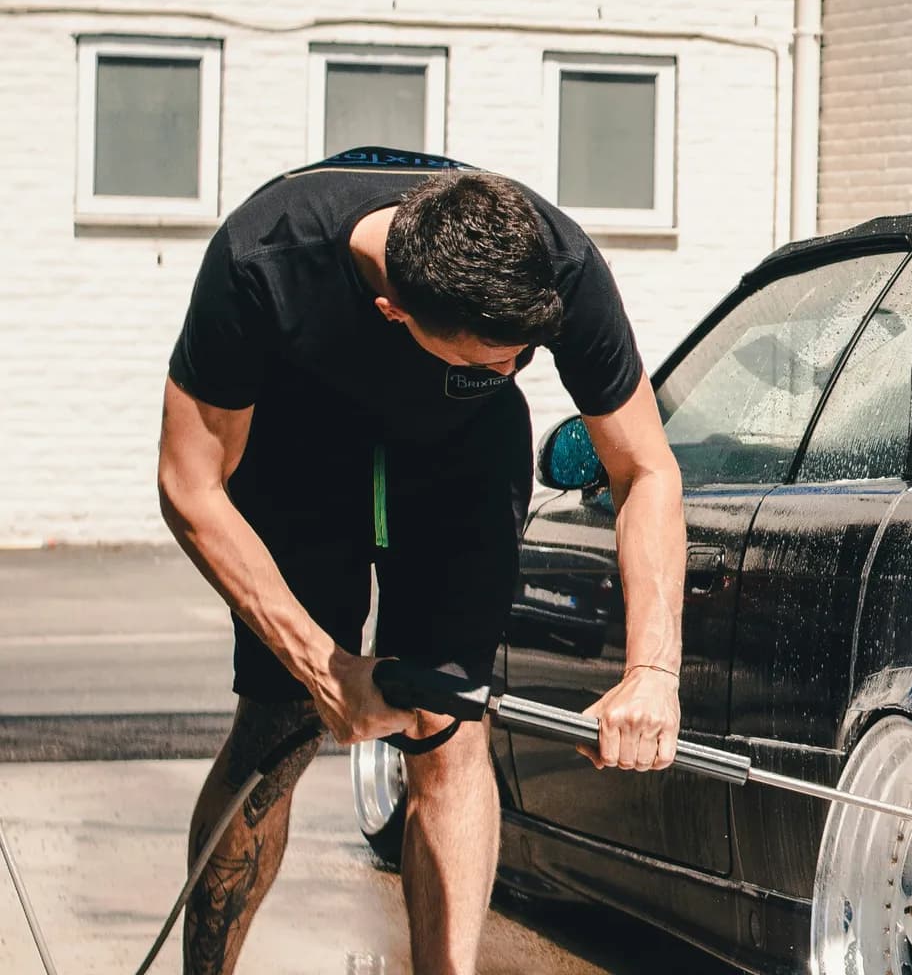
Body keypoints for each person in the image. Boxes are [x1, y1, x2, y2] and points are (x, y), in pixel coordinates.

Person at [155, 147, 687, 974]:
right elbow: (190, 487)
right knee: (279, 727)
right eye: (492, 361)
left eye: (523, 358)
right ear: (393, 311)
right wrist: (326, 669)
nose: (515, 372)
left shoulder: (556, 259)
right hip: (299, 455)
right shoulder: (262, 261)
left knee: (451, 731)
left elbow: (645, 468)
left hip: (459, 466)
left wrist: (655, 669)